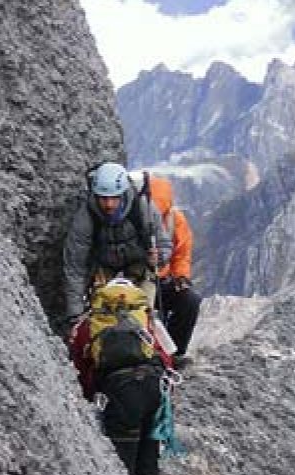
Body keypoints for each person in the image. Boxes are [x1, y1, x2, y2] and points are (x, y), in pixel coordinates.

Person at [69, 278, 174, 475]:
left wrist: (92, 396)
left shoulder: (89, 324)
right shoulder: (147, 319)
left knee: (122, 463)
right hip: (153, 389)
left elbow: (80, 369)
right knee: (148, 462)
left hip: (119, 393)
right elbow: (167, 359)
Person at [59, 162, 172, 338]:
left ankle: (156, 353)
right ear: (95, 195)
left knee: (143, 316)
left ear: (123, 193)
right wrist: (76, 315)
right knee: (104, 317)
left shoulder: (142, 208)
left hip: (139, 271)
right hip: (104, 273)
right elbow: (75, 267)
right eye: (103, 198)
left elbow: (164, 244)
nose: (109, 204)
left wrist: (159, 258)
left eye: (114, 197)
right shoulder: (86, 218)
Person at [148, 176, 202, 369]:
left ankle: (174, 353)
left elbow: (181, 253)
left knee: (189, 300)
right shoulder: (136, 219)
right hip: (139, 280)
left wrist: (181, 277)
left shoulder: (175, 220)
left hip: (163, 280)